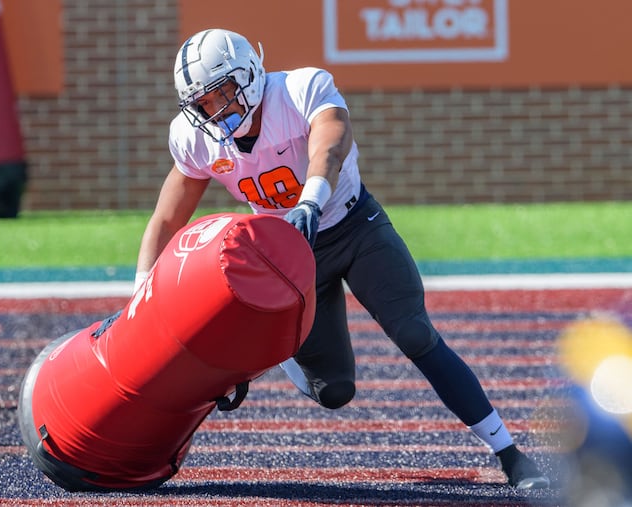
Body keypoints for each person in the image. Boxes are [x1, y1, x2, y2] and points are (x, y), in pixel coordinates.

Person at [135, 27, 550, 490]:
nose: (215, 111)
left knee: (414, 333)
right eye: (203, 104)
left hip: (354, 227)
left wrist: (310, 201)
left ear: (249, 74)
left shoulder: (298, 89)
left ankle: (508, 453)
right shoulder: (196, 140)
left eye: (222, 94)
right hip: (292, 252)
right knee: (333, 391)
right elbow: (167, 220)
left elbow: (331, 142)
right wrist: (139, 297)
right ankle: (272, 355)